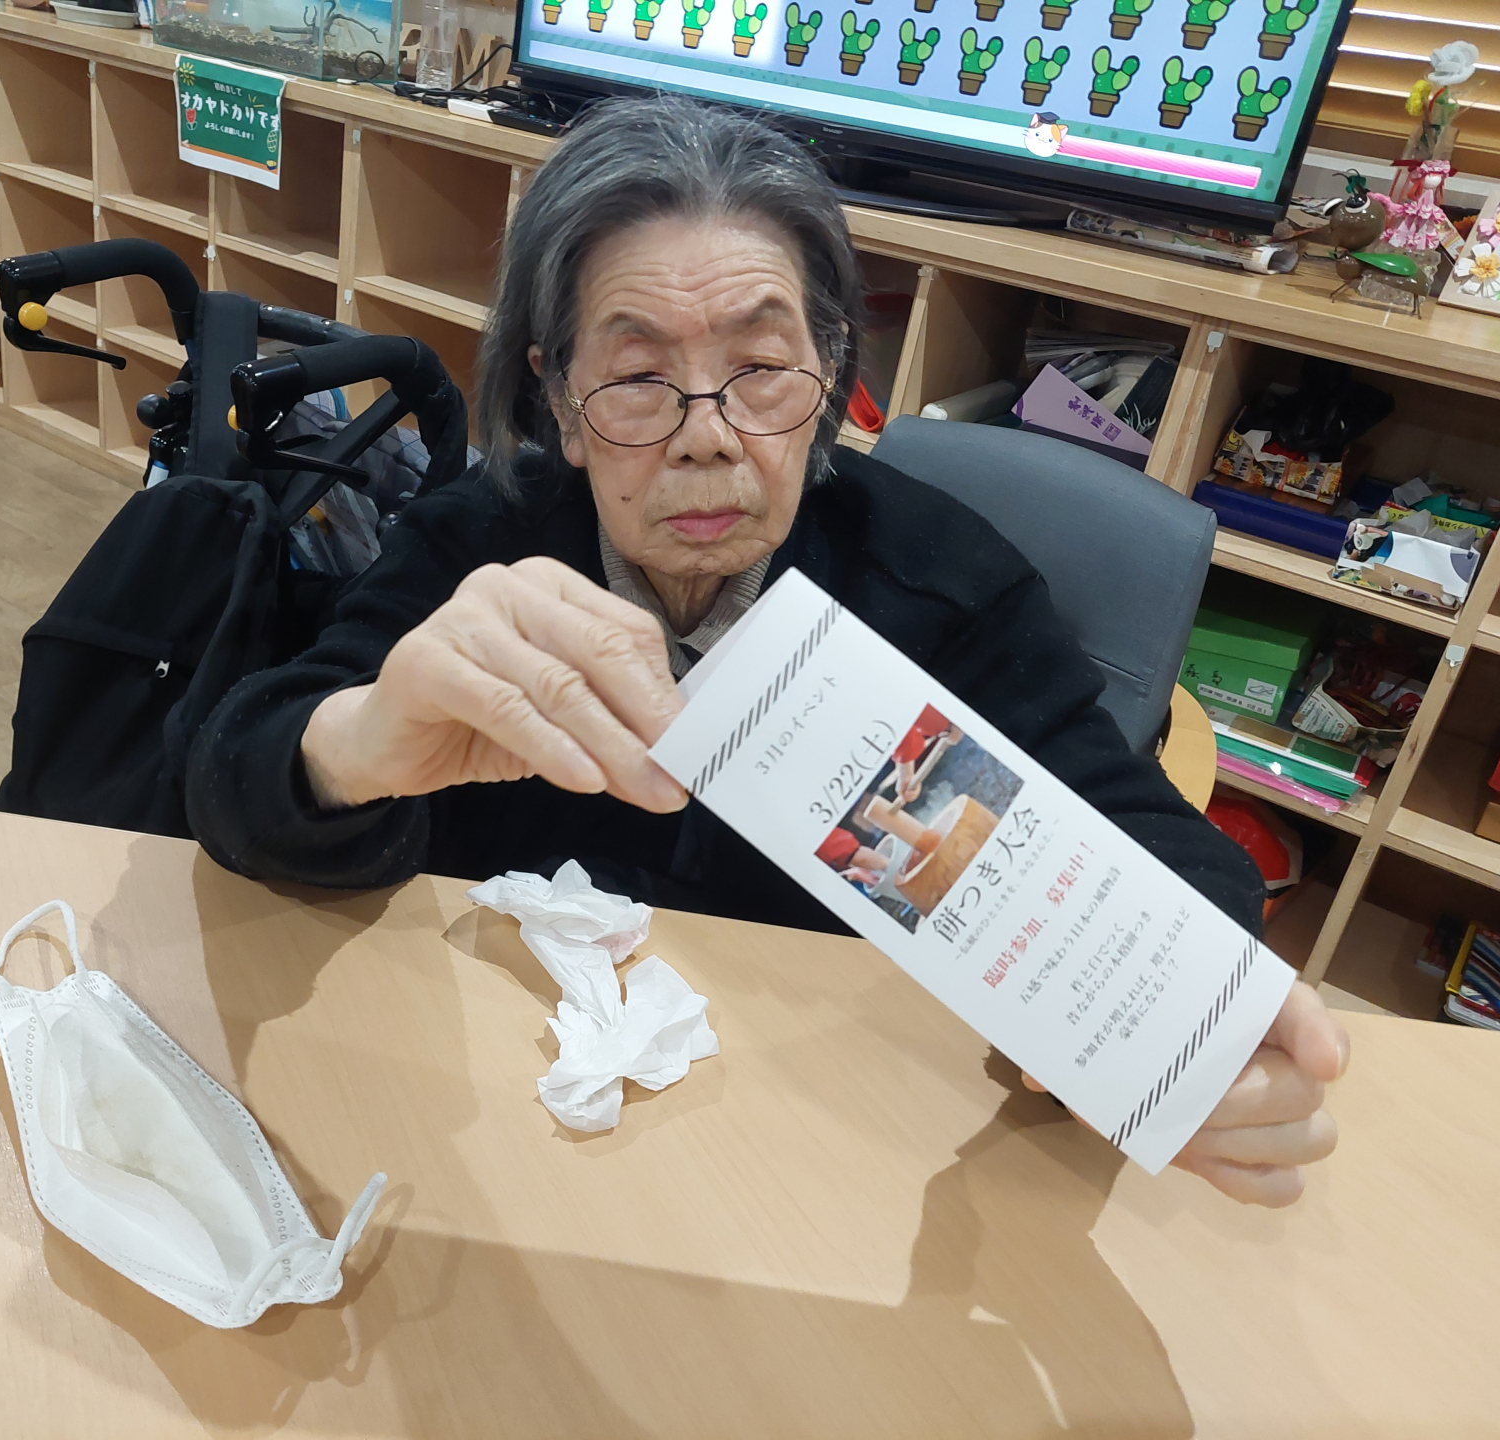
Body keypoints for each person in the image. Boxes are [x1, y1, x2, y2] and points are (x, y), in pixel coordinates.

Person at [187, 95, 1346, 1206]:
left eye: (761, 370)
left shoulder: (937, 586)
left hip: (825, 1137)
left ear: (831, 373)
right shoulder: (479, 549)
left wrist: (1178, 1016)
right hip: (492, 1110)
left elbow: (1166, 858)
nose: (708, 439)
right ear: (560, 401)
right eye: (637, 378)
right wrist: (350, 745)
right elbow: (232, 777)